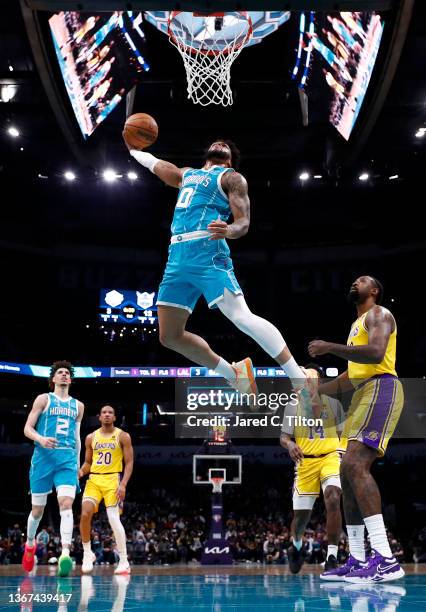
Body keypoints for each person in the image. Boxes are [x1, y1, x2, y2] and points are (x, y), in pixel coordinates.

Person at [127, 139, 315, 406]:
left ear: (229, 159)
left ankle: (298, 377)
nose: (220, 142)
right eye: (217, 142)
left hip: (208, 252)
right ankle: (233, 373)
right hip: (177, 257)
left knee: (241, 317)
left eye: (227, 144)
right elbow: (158, 165)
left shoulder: (232, 178)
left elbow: (243, 223)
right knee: (169, 336)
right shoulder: (187, 174)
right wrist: (135, 151)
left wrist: (228, 230)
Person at [309, 275, 405, 582]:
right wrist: (318, 391)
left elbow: (376, 354)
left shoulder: (379, 314)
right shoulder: (356, 327)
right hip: (364, 390)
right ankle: (358, 558)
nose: (354, 283)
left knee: (354, 464)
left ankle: (385, 557)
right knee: (346, 476)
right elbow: (350, 377)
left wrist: (328, 347)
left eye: (361, 281)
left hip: (382, 388)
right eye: (352, 281)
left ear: (374, 290)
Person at [22, 361, 84, 576]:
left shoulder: (78, 405)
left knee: (66, 504)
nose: (65, 375)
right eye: (60, 372)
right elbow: (27, 428)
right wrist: (40, 438)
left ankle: (65, 553)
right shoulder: (44, 399)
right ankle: (30, 544)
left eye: (68, 373)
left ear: (71, 379)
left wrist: (78, 464)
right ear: (53, 379)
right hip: (43, 458)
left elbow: (77, 438)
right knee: (37, 511)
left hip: (66, 459)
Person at [280, 365, 345, 574]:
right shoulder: (292, 406)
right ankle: (297, 547)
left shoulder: (333, 404)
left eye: (310, 378)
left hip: (330, 456)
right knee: (301, 518)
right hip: (305, 462)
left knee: (333, 496)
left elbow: (344, 433)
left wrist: (342, 452)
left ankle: (332, 556)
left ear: (319, 382)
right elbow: (284, 437)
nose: (307, 381)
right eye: (303, 378)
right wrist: (290, 445)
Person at [79, 405, 133, 575]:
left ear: (114, 417)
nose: (107, 415)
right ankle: (88, 554)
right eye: (104, 412)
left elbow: (129, 462)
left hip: (113, 480)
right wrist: (79, 473)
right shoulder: (90, 437)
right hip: (94, 480)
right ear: (99, 417)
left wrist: (123, 484)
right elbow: (88, 463)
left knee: (113, 519)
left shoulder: (123, 436)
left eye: (110, 412)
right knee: (85, 514)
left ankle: (124, 561)